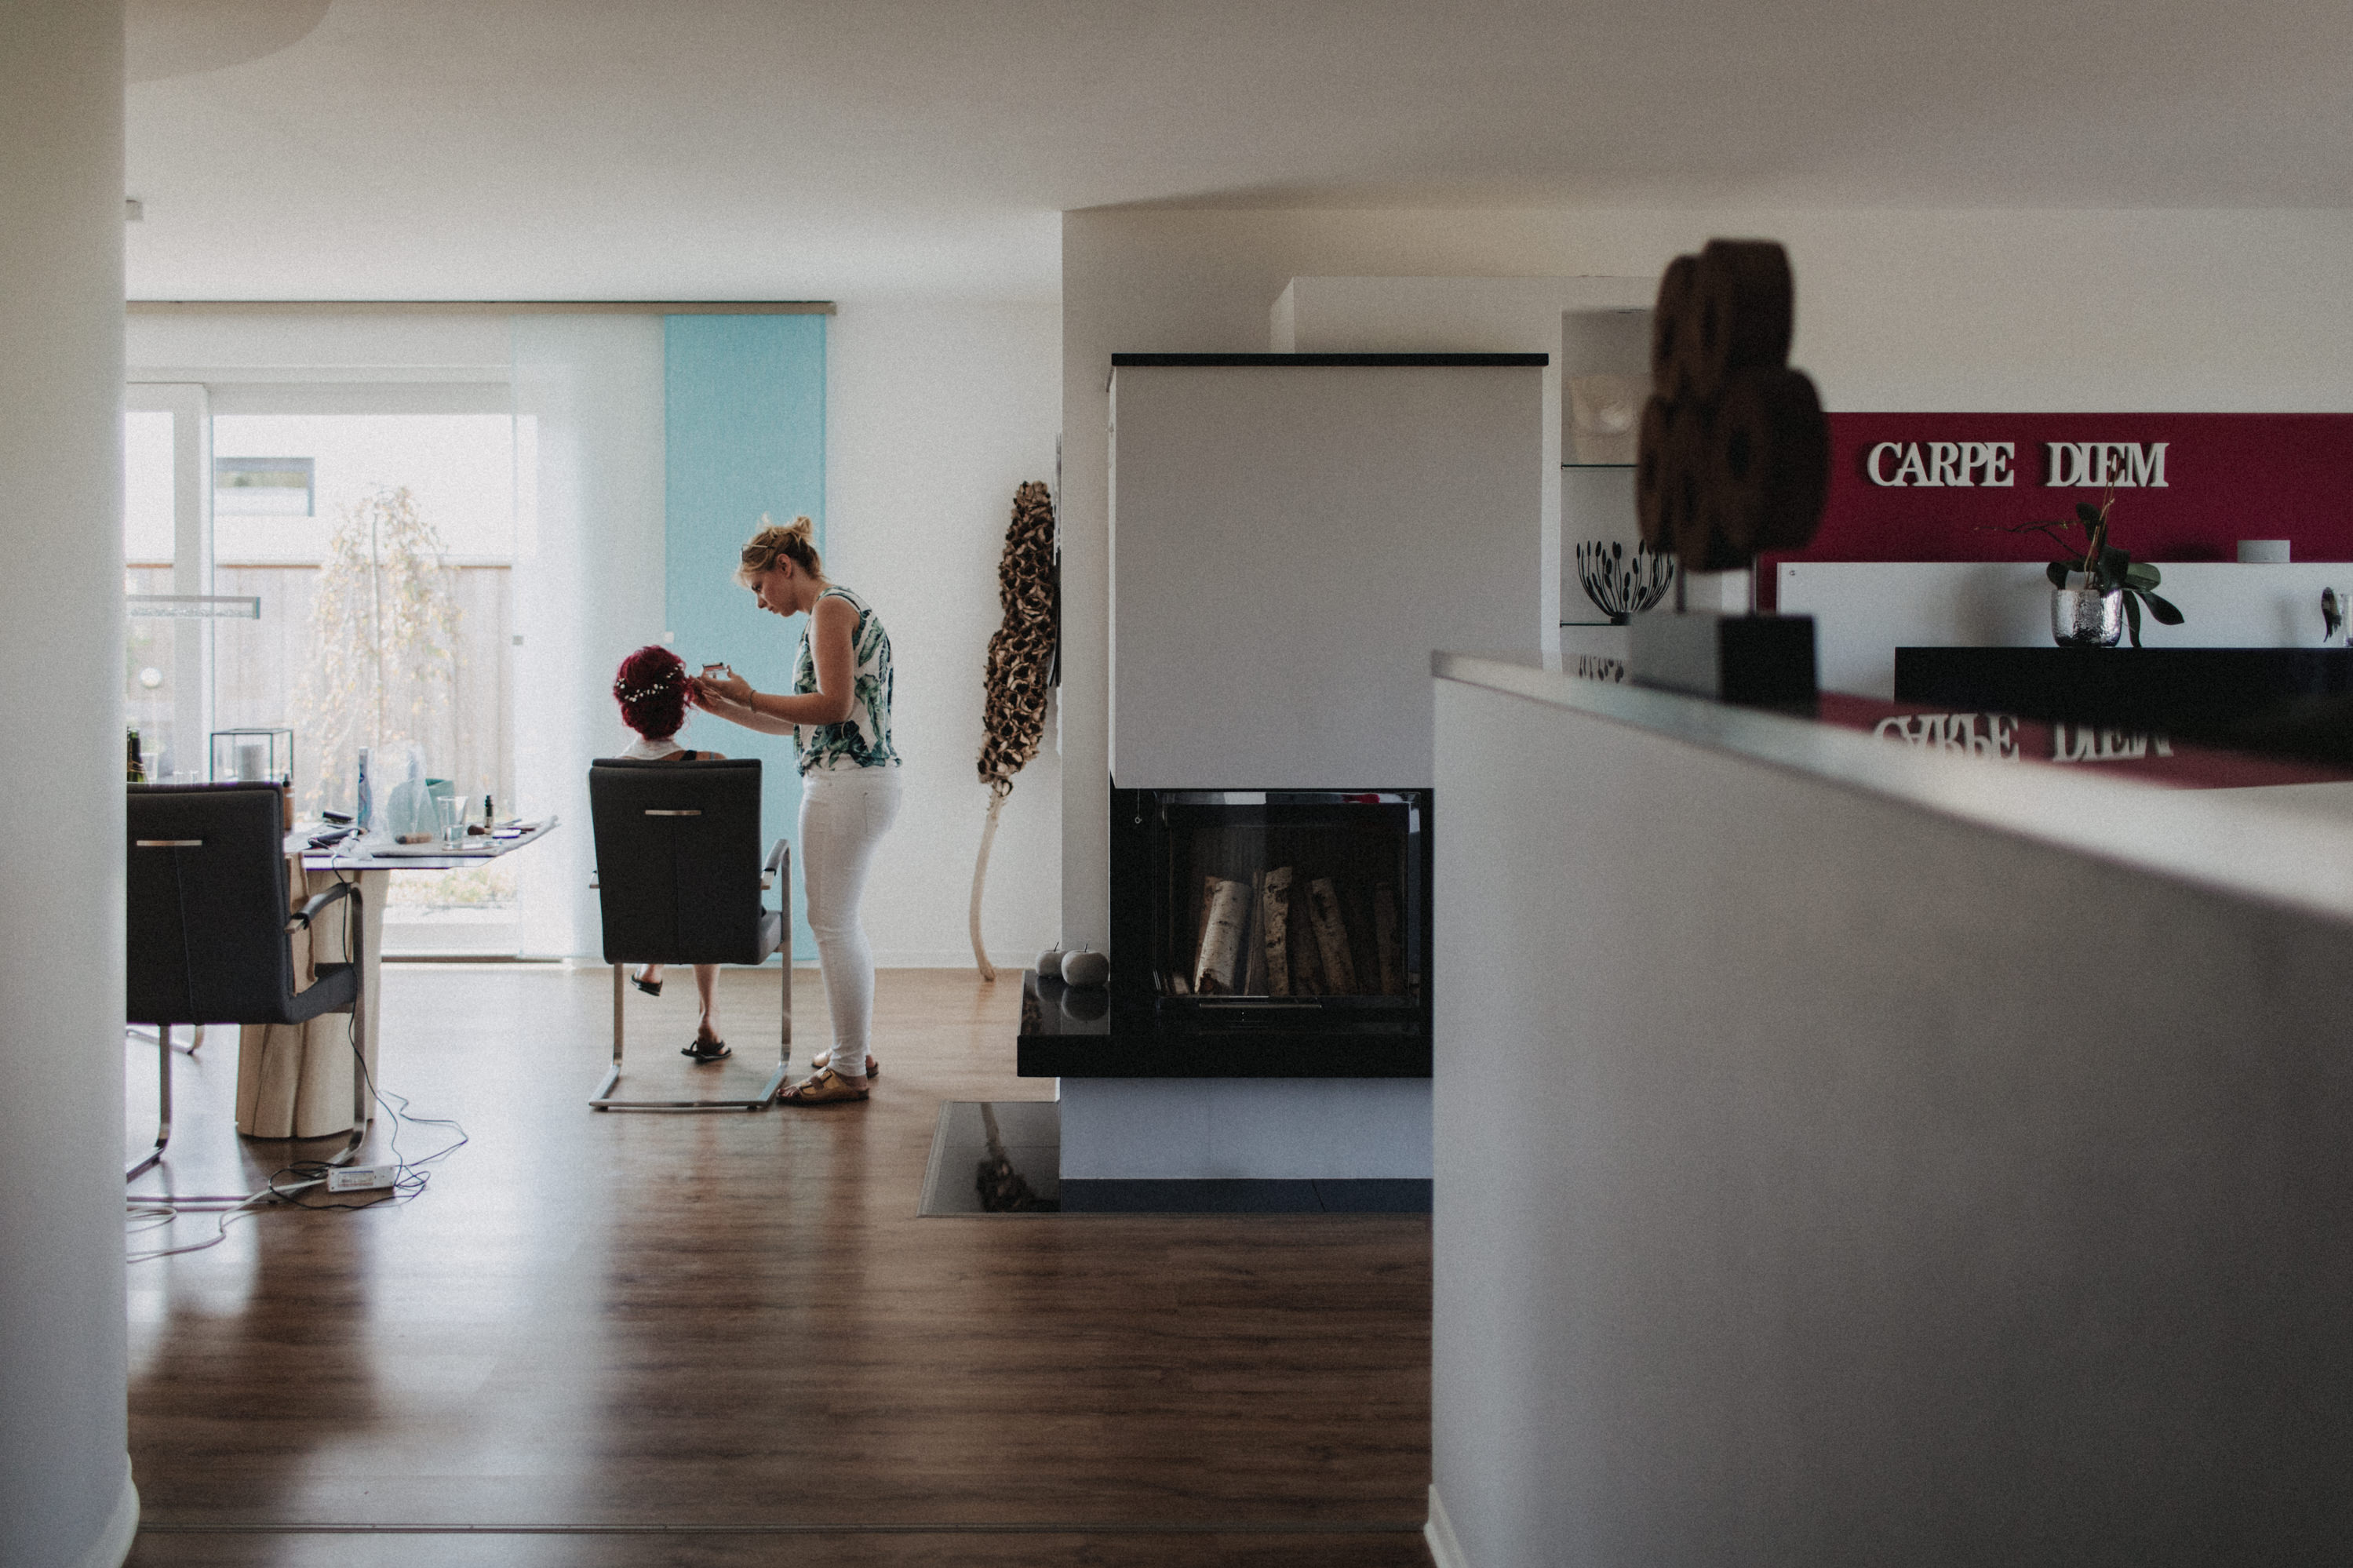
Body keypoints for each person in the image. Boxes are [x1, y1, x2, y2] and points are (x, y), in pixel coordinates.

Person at [690, 515, 899, 1106]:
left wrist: (749, 692)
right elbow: (798, 719)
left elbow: (832, 705)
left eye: (759, 586)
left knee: (831, 925)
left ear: (785, 567)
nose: (759, 602)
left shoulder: (830, 610)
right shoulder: (828, 612)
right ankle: (851, 1048)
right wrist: (727, 706)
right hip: (858, 782)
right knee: (842, 923)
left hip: (845, 785)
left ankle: (849, 1067)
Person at [610, 643, 734, 1063]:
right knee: (702, 879)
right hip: (713, 918)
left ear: (627, 707)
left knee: (668, 876)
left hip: (638, 921)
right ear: (682, 705)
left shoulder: (613, 776)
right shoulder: (711, 765)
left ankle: (652, 960)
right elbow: (721, 859)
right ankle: (708, 1017)